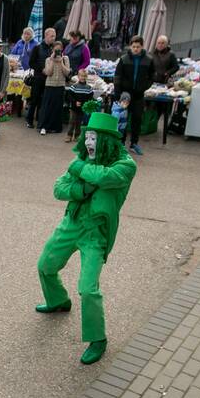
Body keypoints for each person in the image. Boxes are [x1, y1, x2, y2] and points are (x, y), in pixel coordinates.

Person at [36, 111, 136, 365]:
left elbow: (104, 177)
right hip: (72, 222)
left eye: (94, 138)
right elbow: (59, 188)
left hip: (96, 234)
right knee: (46, 265)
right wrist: (80, 189)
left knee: (88, 289)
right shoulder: (84, 158)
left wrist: (79, 168)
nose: (89, 143)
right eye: (87, 137)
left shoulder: (125, 165)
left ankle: (98, 339)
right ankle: (58, 301)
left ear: (107, 140)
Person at [112, 36, 155, 155]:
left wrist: (145, 86)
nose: (136, 49)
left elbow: (152, 75)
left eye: (138, 47)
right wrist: (117, 93)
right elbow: (117, 77)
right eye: (134, 46)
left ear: (142, 47)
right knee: (123, 119)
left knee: (137, 119)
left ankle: (134, 143)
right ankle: (121, 142)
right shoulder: (124, 59)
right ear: (130, 46)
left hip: (139, 95)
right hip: (125, 95)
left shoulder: (148, 60)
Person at [38, 41, 70, 136]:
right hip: (50, 85)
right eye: (56, 50)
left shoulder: (65, 59)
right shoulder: (48, 59)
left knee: (57, 107)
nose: (58, 52)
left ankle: (55, 127)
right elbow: (48, 72)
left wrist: (61, 62)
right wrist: (52, 60)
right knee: (47, 107)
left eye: (59, 50)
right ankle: (44, 127)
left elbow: (67, 72)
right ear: (52, 50)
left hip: (60, 85)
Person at [26, 28, 56, 129]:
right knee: (34, 99)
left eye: (54, 36)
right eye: (52, 36)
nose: (54, 38)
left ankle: (40, 119)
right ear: (46, 35)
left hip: (49, 79)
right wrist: (41, 70)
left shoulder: (54, 48)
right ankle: (29, 120)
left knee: (44, 100)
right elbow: (31, 63)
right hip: (38, 78)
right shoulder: (37, 48)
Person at [66, 70, 95, 141]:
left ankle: (77, 135)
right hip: (74, 108)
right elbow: (69, 96)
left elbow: (90, 97)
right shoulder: (74, 86)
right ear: (78, 77)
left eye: (85, 76)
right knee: (72, 121)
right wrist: (75, 102)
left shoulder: (89, 88)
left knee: (79, 123)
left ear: (86, 77)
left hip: (82, 108)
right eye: (81, 76)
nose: (83, 78)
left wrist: (86, 103)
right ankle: (69, 135)